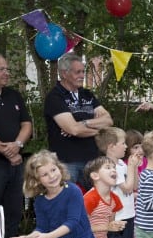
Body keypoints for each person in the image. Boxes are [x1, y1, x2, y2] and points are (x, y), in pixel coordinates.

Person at [0, 51, 33, 238]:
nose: (6, 73)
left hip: (16, 163)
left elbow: (26, 124)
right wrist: (5, 150)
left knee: (14, 211)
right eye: (1, 69)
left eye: (7, 69)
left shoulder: (13, 95)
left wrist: (17, 146)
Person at [44, 53, 113, 188]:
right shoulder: (55, 97)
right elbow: (73, 130)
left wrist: (84, 124)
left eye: (83, 71)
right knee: (67, 202)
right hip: (67, 162)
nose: (82, 75)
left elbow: (108, 120)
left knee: (94, 203)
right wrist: (98, 130)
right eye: (78, 72)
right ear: (64, 73)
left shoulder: (87, 94)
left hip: (92, 160)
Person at [97, 127, 141, 238]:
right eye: (122, 143)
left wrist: (134, 168)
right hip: (117, 216)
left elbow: (135, 185)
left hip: (128, 213)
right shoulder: (109, 166)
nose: (125, 147)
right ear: (111, 146)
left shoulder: (122, 164)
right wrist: (131, 167)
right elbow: (128, 188)